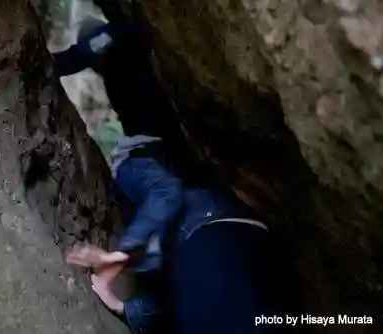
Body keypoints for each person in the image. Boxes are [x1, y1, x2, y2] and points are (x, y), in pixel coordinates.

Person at [56, 9, 288, 334]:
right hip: (253, 247)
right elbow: (174, 294)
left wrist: (123, 251)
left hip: (209, 240)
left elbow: (165, 193)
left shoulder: (136, 161)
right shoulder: (177, 158)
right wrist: (128, 308)